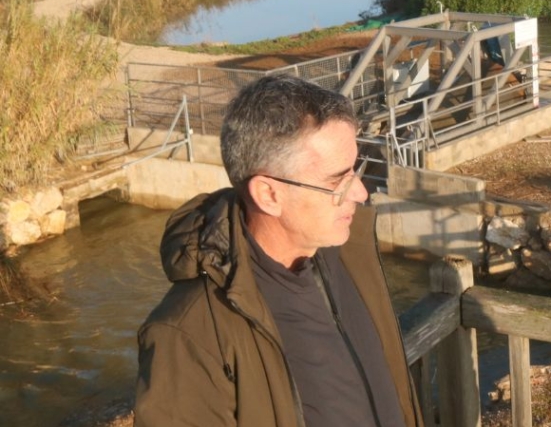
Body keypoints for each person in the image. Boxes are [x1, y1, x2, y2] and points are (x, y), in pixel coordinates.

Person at [135, 75, 422, 427]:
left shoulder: (345, 252)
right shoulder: (187, 334)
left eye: (356, 170)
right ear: (269, 195)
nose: (361, 194)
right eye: (337, 181)